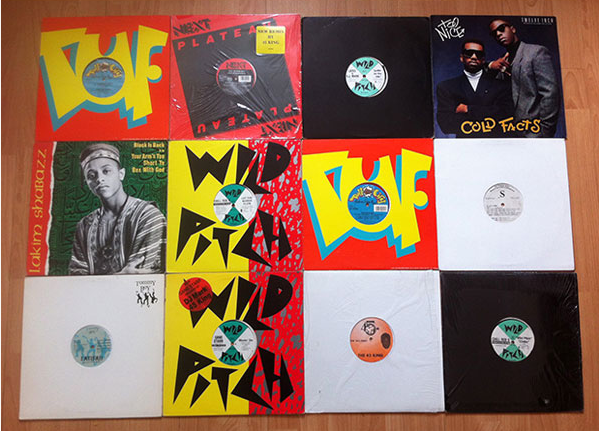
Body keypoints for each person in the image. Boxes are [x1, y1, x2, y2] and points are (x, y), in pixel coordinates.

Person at [69, 143, 166, 275]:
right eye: (91, 175)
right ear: (87, 183)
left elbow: (139, 278)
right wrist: (121, 275)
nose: (99, 179)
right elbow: (75, 280)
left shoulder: (148, 216)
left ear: (121, 174)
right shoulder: (84, 226)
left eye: (106, 171)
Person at [488, 18, 560, 137]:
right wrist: (490, 65)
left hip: (534, 134)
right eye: (494, 33)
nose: (498, 34)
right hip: (509, 134)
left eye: (501, 29)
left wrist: (545, 133)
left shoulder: (536, 52)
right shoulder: (503, 61)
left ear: (512, 29)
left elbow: (550, 93)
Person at [436, 39, 513, 137]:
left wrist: (468, 109)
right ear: (461, 58)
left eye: (478, 54)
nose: (474, 57)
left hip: (494, 143)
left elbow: (507, 117)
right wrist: (488, 113)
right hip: (465, 145)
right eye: (469, 53)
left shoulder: (501, 86)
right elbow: (446, 125)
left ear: (483, 59)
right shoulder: (446, 87)